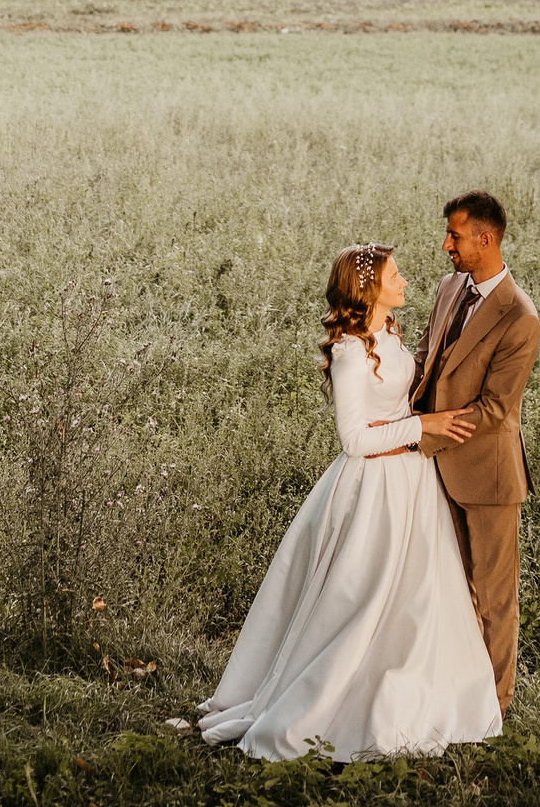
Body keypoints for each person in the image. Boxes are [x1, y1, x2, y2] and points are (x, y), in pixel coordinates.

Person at [196, 244, 503, 761]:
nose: (404, 280)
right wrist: (420, 426)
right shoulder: (350, 353)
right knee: (360, 598)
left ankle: (422, 691)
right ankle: (331, 700)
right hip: (373, 490)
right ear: (370, 288)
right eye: (395, 274)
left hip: (411, 482)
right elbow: (355, 439)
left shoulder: (388, 335)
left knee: (417, 595)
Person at [410, 190, 540, 716]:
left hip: (487, 478)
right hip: (435, 470)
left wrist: (418, 436)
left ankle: (495, 707)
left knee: (493, 599)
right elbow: (426, 359)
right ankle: (453, 695)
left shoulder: (520, 318)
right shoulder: (449, 289)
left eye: (455, 236)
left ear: (485, 239)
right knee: (447, 591)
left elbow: (494, 410)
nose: (446, 245)